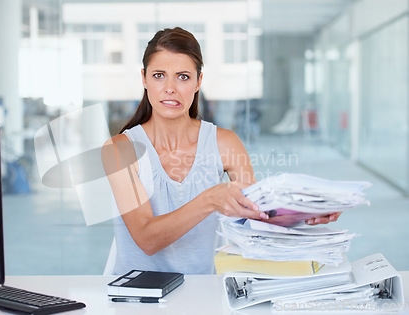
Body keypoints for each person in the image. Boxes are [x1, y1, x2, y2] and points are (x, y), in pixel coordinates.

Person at [102, 27, 340, 275]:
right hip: (136, 297)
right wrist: (210, 199)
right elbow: (146, 239)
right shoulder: (120, 150)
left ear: (198, 82)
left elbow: (258, 216)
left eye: (183, 76)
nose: (170, 88)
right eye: (159, 75)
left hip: (206, 291)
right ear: (144, 78)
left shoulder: (225, 143)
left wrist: (308, 213)